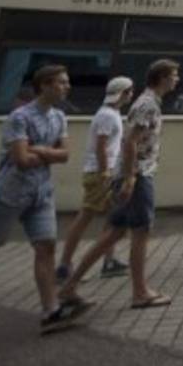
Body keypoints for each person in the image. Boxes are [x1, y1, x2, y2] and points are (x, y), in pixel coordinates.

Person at [0, 65, 89, 339]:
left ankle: (50, 311)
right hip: (10, 193)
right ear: (45, 85)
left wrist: (39, 150)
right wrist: (48, 152)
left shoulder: (59, 117)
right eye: (62, 82)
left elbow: (66, 154)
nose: (67, 87)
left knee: (45, 248)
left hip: (41, 192)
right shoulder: (18, 118)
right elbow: (21, 160)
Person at [58, 59, 179, 310]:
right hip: (138, 174)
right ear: (162, 78)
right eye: (174, 75)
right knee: (141, 231)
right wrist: (131, 177)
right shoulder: (147, 104)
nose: (176, 80)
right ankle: (140, 292)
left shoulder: (148, 102)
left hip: (130, 174)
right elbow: (130, 142)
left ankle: (70, 286)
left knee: (114, 233)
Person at [56, 77, 134, 282]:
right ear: (122, 93)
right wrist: (104, 173)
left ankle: (108, 260)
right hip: (100, 173)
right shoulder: (108, 116)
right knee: (85, 217)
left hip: (103, 172)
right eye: (129, 91)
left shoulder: (111, 113)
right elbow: (101, 145)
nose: (131, 95)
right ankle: (64, 266)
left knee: (112, 218)